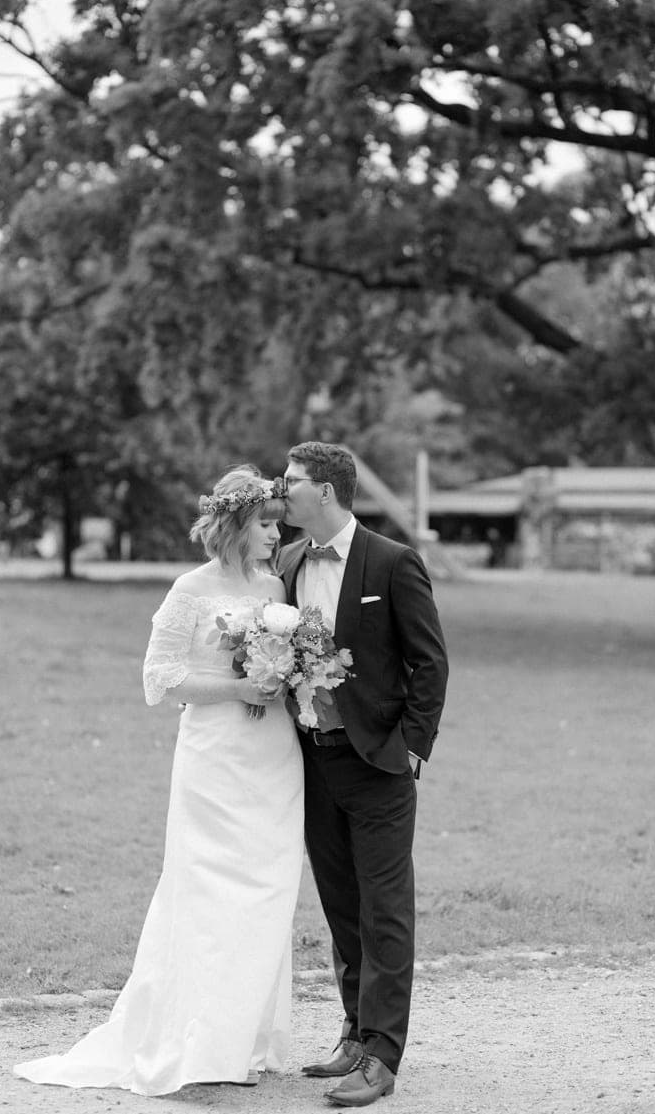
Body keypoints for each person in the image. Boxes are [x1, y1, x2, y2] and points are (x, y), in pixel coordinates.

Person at [14, 466, 302, 1095]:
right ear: (235, 525)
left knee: (268, 889)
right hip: (215, 756)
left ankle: (243, 1040)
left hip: (273, 756)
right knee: (208, 891)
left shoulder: (276, 586)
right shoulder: (189, 590)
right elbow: (159, 677)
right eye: (265, 524)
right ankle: (200, 1043)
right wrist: (238, 688)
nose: (275, 535)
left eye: (277, 524)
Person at [279, 441, 448, 1108]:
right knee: (341, 905)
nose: (281, 490)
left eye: (291, 480)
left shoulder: (393, 561)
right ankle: (354, 1032)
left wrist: (413, 747)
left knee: (384, 911)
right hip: (312, 760)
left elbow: (429, 661)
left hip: (378, 762)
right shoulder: (288, 560)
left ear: (325, 490)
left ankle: (382, 1054)